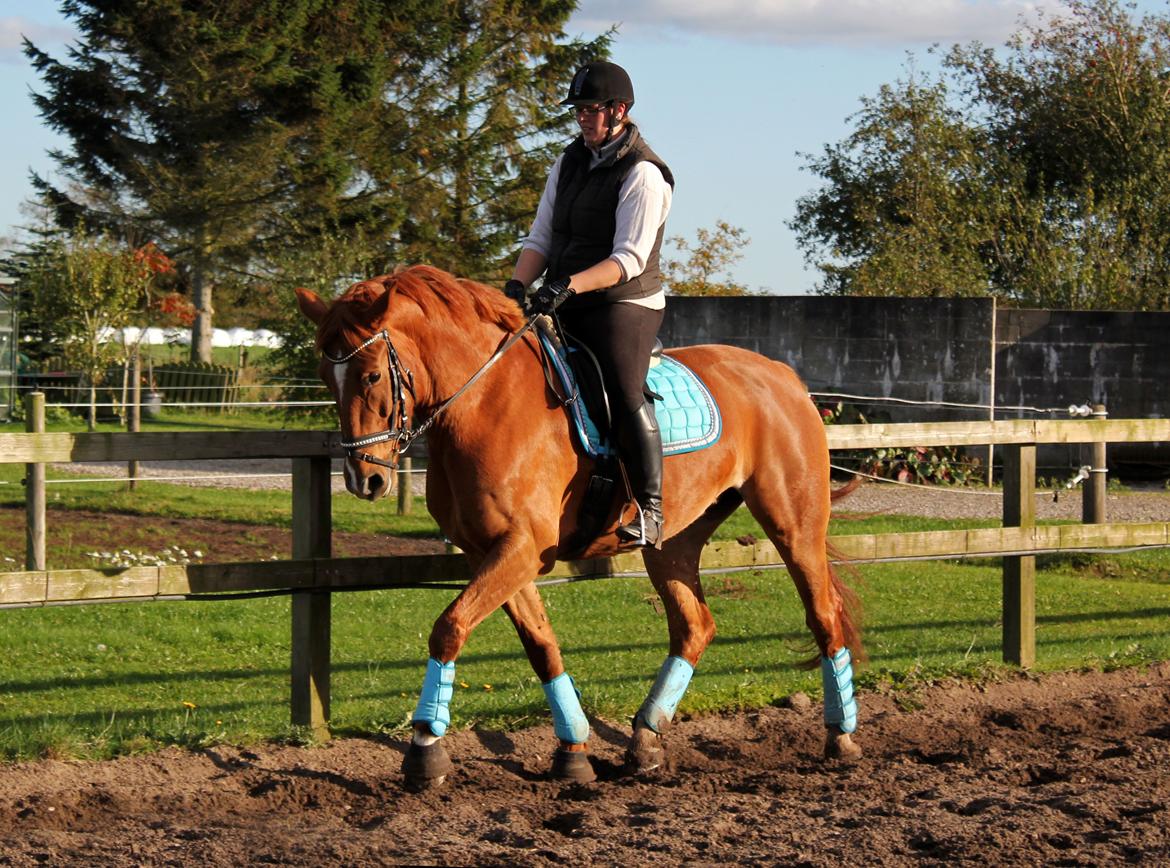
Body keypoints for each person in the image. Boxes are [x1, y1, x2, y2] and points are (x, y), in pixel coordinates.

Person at [504, 60, 674, 548]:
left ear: (619, 111)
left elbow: (628, 259)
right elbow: (541, 236)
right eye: (577, 110)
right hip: (566, 295)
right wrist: (518, 285)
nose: (581, 118)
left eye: (589, 110)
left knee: (624, 391)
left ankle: (651, 508)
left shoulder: (644, 173)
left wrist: (567, 286)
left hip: (625, 303)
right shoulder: (569, 161)